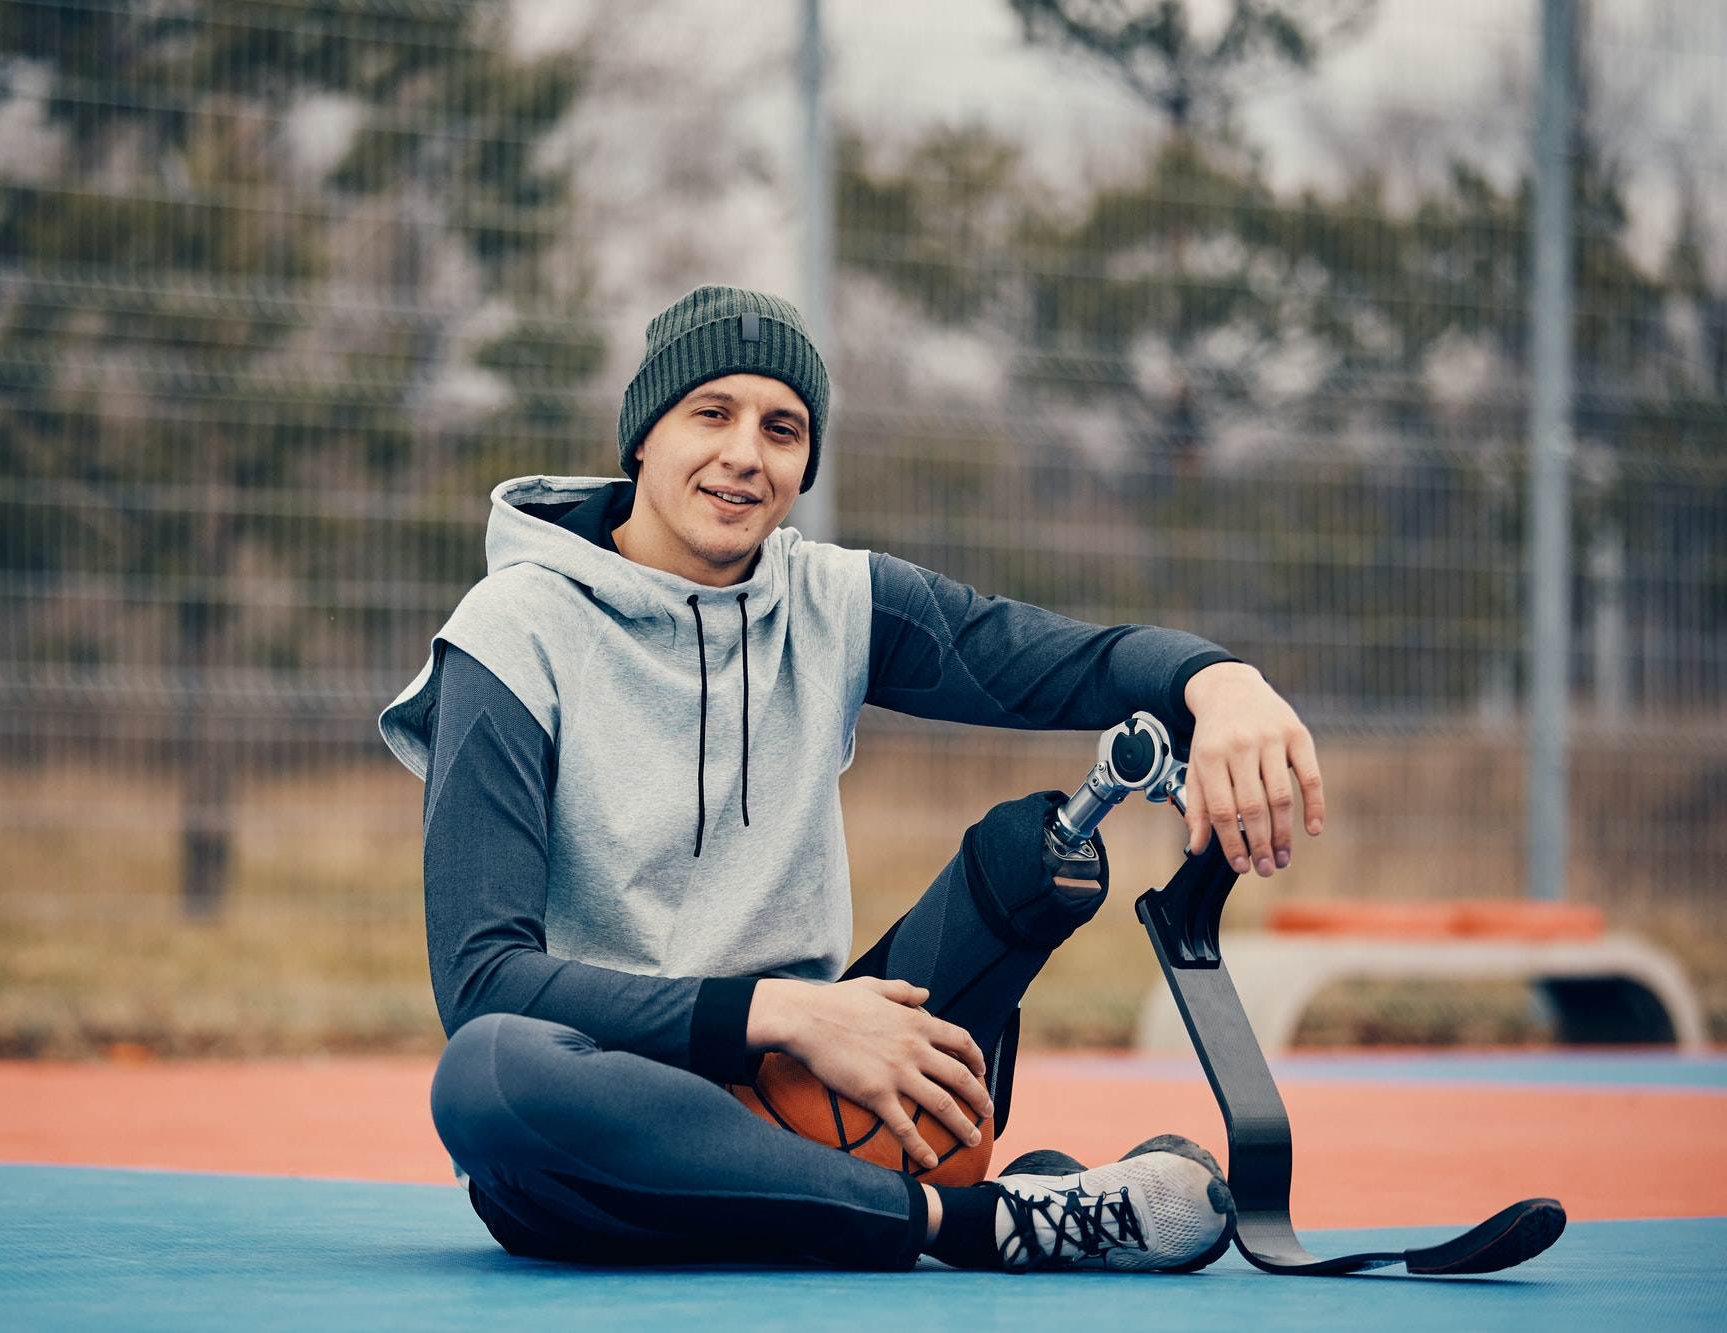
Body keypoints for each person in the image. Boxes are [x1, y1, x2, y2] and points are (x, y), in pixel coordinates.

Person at [380, 285, 1326, 1273]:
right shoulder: (511, 631)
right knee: (488, 1069)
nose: (745, 453)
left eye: (781, 428)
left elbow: (1071, 660)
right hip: (619, 1132)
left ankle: (930, 1196)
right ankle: (980, 1223)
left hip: (825, 1096)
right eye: (711, 412)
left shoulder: (833, 600)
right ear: (642, 438)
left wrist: (1222, 683)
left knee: (1030, 852)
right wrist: (783, 1012)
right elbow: (483, 981)